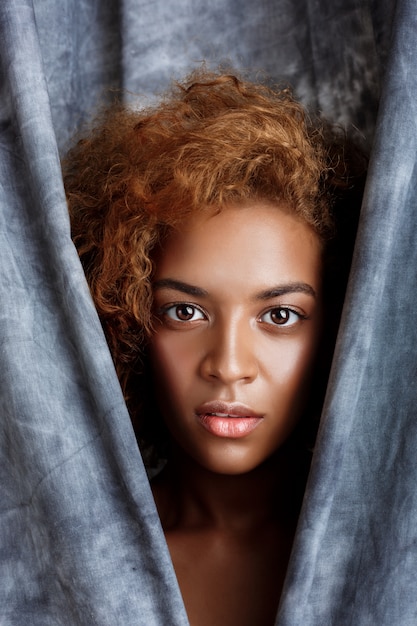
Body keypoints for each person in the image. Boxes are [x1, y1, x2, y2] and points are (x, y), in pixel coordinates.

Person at [63, 69, 365, 626]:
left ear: (341, 327)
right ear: (127, 319)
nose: (228, 366)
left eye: (279, 315)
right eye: (185, 312)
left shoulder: (381, 557)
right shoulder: (63, 557)